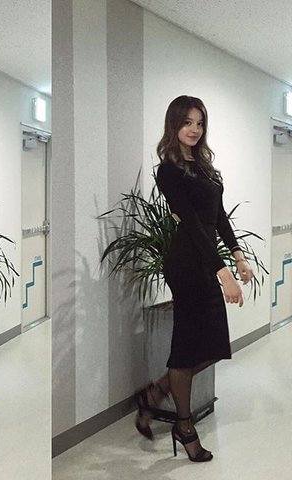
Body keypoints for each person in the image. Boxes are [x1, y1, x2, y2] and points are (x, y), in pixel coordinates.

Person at [133, 95, 253, 462]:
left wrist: (238, 255)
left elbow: (218, 218)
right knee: (186, 348)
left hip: (206, 261)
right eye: (187, 122)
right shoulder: (169, 171)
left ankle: (155, 394)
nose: (194, 129)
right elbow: (193, 226)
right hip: (186, 263)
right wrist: (223, 273)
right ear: (174, 125)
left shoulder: (205, 169)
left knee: (214, 346)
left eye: (199, 123)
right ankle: (184, 427)